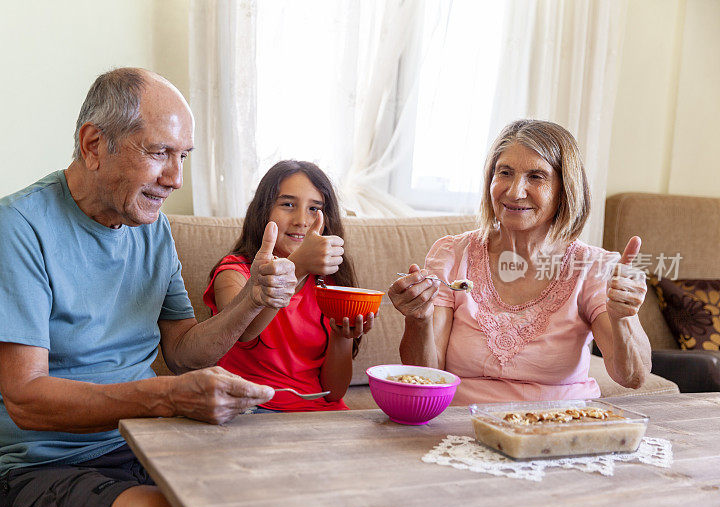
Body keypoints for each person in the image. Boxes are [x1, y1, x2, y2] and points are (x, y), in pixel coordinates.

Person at [0, 68, 298, 507]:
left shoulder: (152, 229)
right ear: (94, 145)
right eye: (159, 152)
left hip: (142, 443)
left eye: (183, 156)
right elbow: (26, 400)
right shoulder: (14, 227)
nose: (176, 178)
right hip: (35, 468)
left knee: (283, 490)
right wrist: (168, 398)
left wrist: (253, 300)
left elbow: (182, 352)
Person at [388, 119, 651, 405]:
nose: (514, 191)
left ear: (565, 189)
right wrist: (418, 319)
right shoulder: (453, 255)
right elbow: (426, 376)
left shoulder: (591, 267)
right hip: (464, 425)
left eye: (536, 176)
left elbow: (632, 378)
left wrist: (622, 318)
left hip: (560, 428)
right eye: (505, 173)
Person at [203, 160, 375, 411]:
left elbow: (333, 392)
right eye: (288, 204)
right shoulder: (233, 272)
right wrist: (298, 267)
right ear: (263, 211)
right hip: (252, 408)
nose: (302, 220)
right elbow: (241, 332)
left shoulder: (331, 282)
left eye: (314, 208)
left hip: (319, 413)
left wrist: (341, 336)